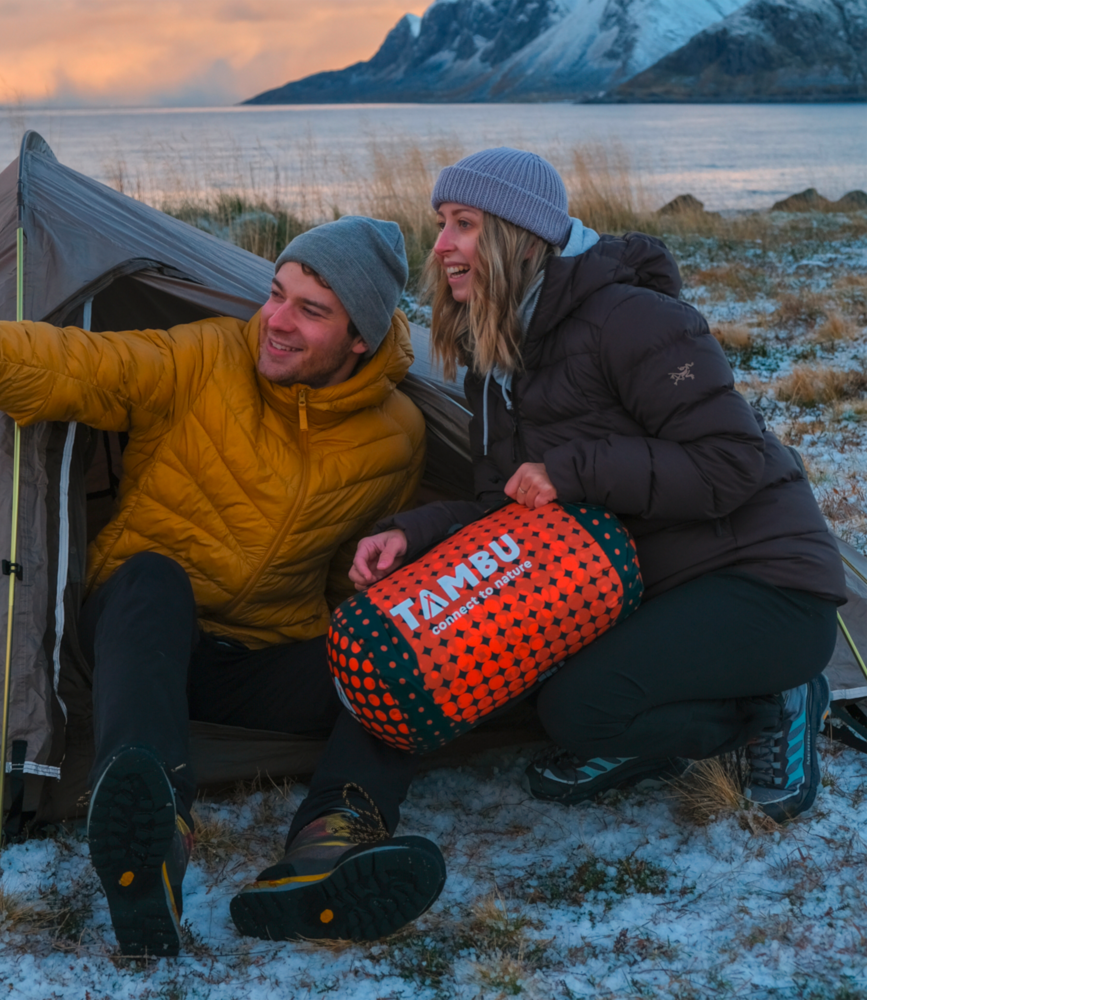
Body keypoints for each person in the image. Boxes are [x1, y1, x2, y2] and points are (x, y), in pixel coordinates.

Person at [0, 216, 445, 957]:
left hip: (258, 657)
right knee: (153, 576)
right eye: (277, 294)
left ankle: (325, 851)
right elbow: (60, 363)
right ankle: (152, 833)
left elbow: (342, 571)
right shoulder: (204, 357)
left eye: (310, 310)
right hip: (139, 633)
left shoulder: (397, 434)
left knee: (394, 650)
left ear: (360, 337)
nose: (276, 321)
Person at [348, 147, 848, 821]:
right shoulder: (499, 356)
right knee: (539, 699)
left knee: (579, 710)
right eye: (440, 223)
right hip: (648, 591)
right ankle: (662, 725)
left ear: (518, 236)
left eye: (462, 223)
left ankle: (778, 700)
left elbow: (731, 462)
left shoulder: (631, 319)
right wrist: (413, 534)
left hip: (763, 585)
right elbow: (508, 507)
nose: (439, 246)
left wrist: (573, 470)